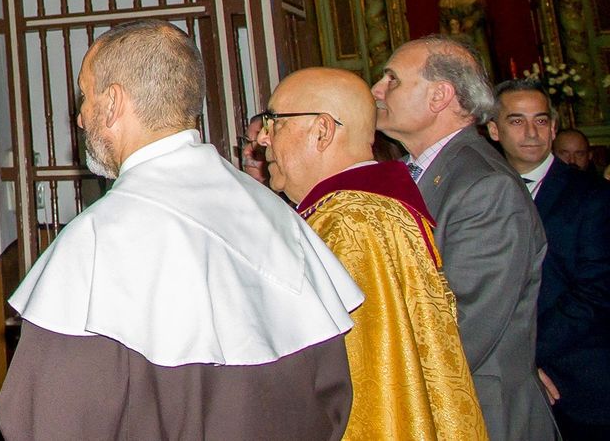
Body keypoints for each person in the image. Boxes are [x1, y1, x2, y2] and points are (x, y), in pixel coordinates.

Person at [0, 21, 360, 441]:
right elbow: (332, 396)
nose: (79, 118)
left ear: (113, 103)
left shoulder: (99, 238)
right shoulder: (277, 217)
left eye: (85, 96)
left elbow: (44, 422)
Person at [260, 67, 486, 440]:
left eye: (274, 122)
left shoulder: (352, 222)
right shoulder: (364, 208)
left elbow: (364, 380)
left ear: (322, 130)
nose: (264, 139)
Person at [372, 36, 552, 440]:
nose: (377, 90)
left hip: (480, 416)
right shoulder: (412, 172)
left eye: (392, 80)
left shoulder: (485, 186)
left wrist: (374, 383)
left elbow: (464, 329)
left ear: (440, 96)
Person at [486, 81, 610, 440]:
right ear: (493, 129)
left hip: (580, 379)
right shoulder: (484, 193)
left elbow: (596, 291)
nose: (531, 133)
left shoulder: (592, 196)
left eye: (541, 121)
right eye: (516, 121)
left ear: (554, 128)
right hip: (508, 382)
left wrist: (523, 352)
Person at [438, 0, 493, 77]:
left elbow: (482, 11)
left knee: (481, 57)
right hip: (456, 34)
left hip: (476, 31)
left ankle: (486, 78)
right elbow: (444, 17)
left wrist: (472, 20)